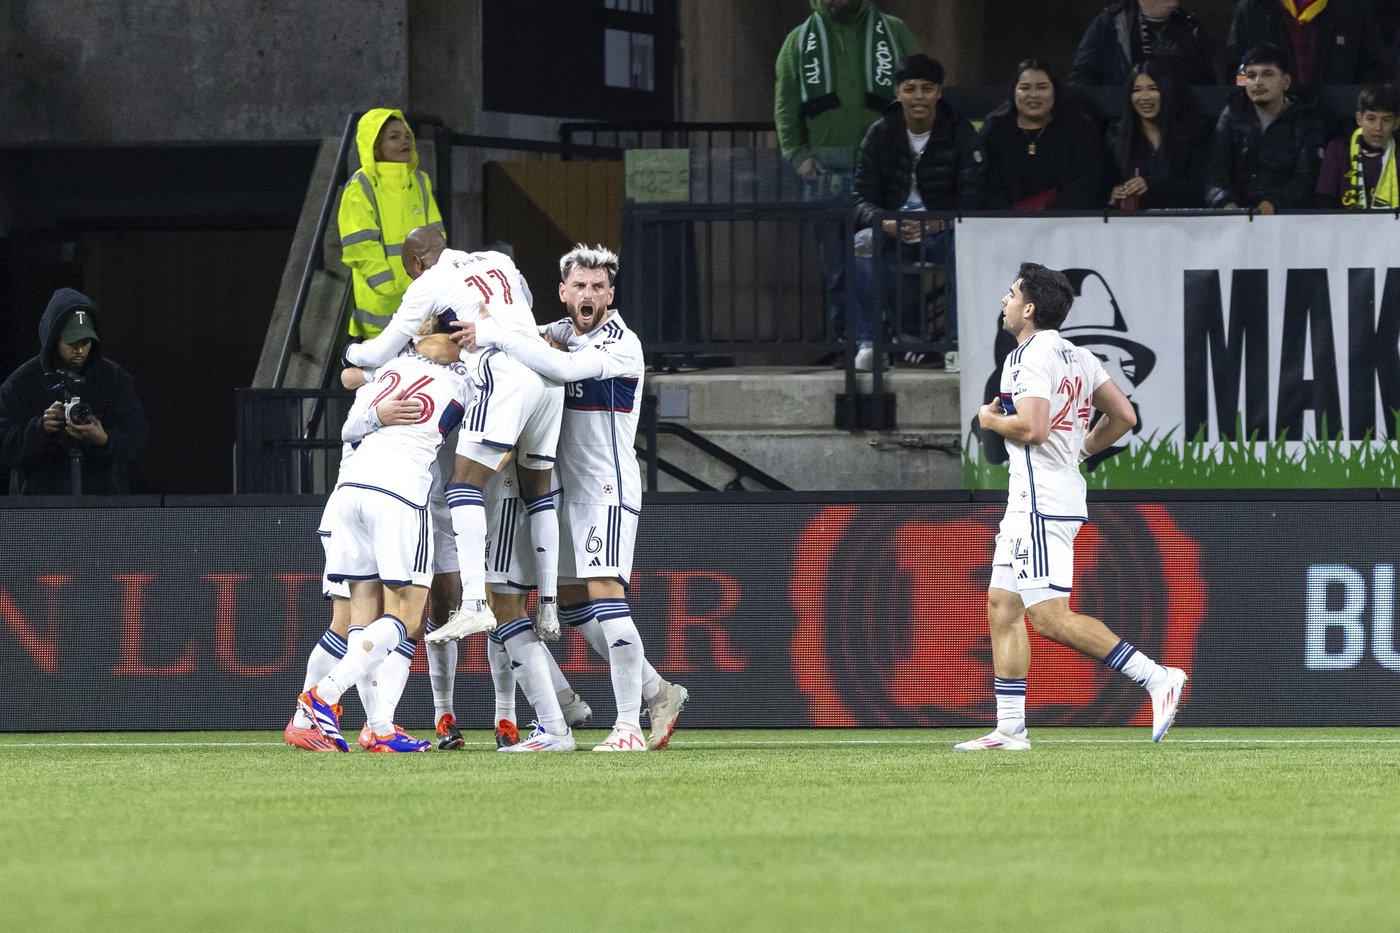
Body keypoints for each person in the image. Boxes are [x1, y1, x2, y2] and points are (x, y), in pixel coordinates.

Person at [461, 244, 690, 752]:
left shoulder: (621, 343)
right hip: (559, 492)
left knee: (606, 593)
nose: (589, 294)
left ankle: (627, 726)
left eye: (598, 287)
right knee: (569, 600)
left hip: (603, 488)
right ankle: (656, 692)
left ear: (612, 294)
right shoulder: (560, 333)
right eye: (579, 286)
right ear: (564, 293)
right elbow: (533, 343)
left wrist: (498, 334)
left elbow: (562, 370)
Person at [954, 262, 1188, 751]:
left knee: (1051, 618)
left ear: (1030, 308)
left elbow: (1034, 429)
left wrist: (988, 422)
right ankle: (1010, 728)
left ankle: (1157, 678)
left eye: (1012, 293)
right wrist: (1081, 449)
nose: (1004, 300)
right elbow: (1124, 415)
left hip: (1039, 504)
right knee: (1002, 606)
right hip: (1040, 498)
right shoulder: (1079, 355)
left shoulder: (1025, 357)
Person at [296, 332, 470, 753]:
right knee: (404, 618)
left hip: (350, 492)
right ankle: (321, 698)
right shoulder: (476, 372)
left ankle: (378, 727)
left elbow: (349, 423)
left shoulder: (388, 366)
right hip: (398, 495)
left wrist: (375, 409)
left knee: (361, 619)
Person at [774, 0, 918, 358]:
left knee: (893, 260)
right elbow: (785, 102)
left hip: (886, 173)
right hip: (826, 177)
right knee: (838, 268)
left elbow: (919, 87)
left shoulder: (894, 30)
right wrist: (797, 155)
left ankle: (903, 341)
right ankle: (851, 342)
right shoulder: (797, 41)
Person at [851, 53, 984, 371]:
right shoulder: (880, 134)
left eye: (927, 88)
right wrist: (886, 222)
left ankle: (955, 346)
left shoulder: (960, 133)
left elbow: (974, 200)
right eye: (910, 88)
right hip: (893, 229)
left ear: (939, 92)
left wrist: (939, 223)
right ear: (898, 93)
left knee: (966, 248)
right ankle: (871, 344)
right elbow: (859, 199)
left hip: (942, 230)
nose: (918, 97)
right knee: (863, 243)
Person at [0, 288, 147, 495]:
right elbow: (3, 444)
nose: (79, 350)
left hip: (103, 505)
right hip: (38, 508)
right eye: (71, 342)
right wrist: (40, 429)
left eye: (85, 342)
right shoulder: (21, 383)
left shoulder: (114, 378)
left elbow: (137, 437)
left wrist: (104, 439)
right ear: (53, 340)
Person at [338, 108, 446, 340]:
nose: (404, 141)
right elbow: (360, 245)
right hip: (381, 309)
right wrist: (389, 288)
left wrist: (431, 281)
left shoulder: (419, 180)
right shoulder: (361, 186)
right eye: (394, 137)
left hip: (422, 302)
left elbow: (436, 235)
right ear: (375, 145)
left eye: (407, 135)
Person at [1205, 44, 1328, 212]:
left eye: (1267, 74)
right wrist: (1225, 203)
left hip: (1287, 218)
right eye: (1251, 75)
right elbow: (1215, 171)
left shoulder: (1306, 119)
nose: (1257, 82)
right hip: (1234, 217)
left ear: (1286, 82)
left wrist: (1273, 204)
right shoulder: (1232, 114)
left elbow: (1306, 177)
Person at [980, 60, 1108, 212]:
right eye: (1025, 88)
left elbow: (1087, 182)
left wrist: (1049, 218)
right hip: (1006, 225)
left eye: (1042, 87)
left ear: (1055, 91)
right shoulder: (995, 128)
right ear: (1013, 92)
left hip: (1066, 222)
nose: (1033, 95)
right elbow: (987, 184)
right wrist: (1012, 218)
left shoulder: (1079, 127)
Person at [1226, 0, 1391, 97]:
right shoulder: (1252, 9)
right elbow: (1236, 69)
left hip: (1335, 129)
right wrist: (1251, 103)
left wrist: (1354, 109)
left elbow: (1375, 70)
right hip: (1268, 127)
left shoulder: (1353, 9)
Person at [1106, 62, 1212, 209]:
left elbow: (1201, 188)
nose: (1144, 97)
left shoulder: (1193, 134)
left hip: (1184, 224)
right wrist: (1113, 193)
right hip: (1134, 226)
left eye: (1153, 89)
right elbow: (1105, 184)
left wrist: (1152, 186)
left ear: (1167, 91)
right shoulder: (1117, 137)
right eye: (1136, 90)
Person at [1071, 0, 1220, 88]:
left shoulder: (1191, 26)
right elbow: (1082, 82)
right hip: (1122, 131)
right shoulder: (1109, 25)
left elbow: (1208, 85)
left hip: (1182, 132)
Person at [1315, 83, 1400, 209]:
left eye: (1386, 120)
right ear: (1359, 119)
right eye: (1371, 119)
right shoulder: (1337, 150)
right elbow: (1324, 202)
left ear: (1396, 123)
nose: (1378, 128)